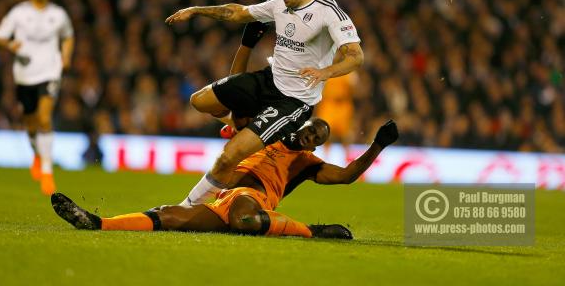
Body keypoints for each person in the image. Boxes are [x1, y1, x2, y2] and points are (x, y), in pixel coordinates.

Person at [165, 0, 365, 206]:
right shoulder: (278, 5)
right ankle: (237, 124)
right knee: (199, 101)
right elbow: (237, 12)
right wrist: (196, 11)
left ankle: (186, 208)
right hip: (268, 80)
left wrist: (326, 72)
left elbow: (356, 56)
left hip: (293, 101)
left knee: (229, 157)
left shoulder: (329, 12)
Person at [51, 119, 399, 239]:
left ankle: (314, 231)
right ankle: (98, 224)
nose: (311, 139)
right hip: (224, 197)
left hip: (254, 199)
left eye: (318, 139)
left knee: (245, 219)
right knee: (173, 215)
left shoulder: (307, 164)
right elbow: (231, 128)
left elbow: (349, 176)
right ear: (303, 126)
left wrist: (378, 144)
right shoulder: (270, 134)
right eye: (311, 132)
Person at [0, 0, 75, 195]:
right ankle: (37, 155)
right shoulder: (18, 13)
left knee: (44, 117)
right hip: (24, 74)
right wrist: (10, 46)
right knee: (30, 122)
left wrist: (66, 56)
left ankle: (48, 172)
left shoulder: (58, 14)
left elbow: (68, 36)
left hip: (50, 71)